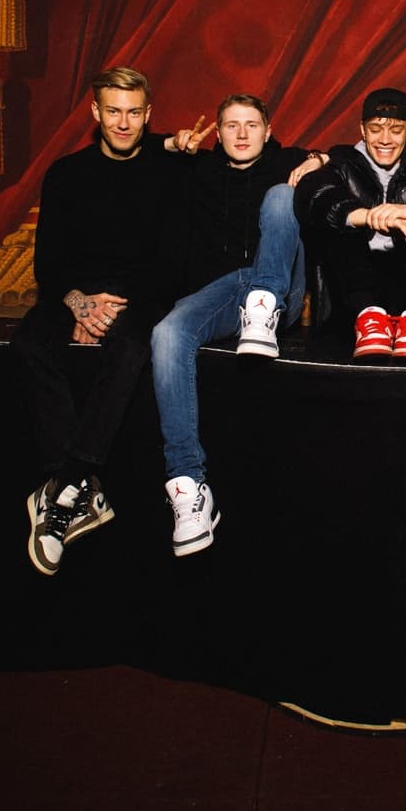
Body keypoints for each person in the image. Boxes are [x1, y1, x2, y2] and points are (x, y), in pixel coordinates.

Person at [12, 66, 187, 576]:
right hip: (73, 294)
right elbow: (48, 266)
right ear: (95, 112)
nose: (123, 123)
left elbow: (173, 266)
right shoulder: (66, 173)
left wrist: (112, 309)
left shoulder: (171, 171)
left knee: (130, 349)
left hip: (139, 297)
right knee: (27, 344)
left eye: (133, 113)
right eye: (113, 111)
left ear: (148, 114)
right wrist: (78, 303)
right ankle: (82, 489)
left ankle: (66, 485)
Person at [150, 93, 323, 557]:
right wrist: (171, 144)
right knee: (166, 334)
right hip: (225, 294)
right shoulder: (198, 169)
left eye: (252, 125)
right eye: (231, 125)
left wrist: (320, 160)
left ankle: (263, 308)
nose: (242, 134)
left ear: (268, 131)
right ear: (218, 132)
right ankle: (188, 488)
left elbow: (348, 159)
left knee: (283, 195)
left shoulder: (286, 161)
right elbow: (130, 152)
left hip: (279, 291)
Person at [294, 87, 406, 361]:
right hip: (356, 292)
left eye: (396, 130)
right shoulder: (341, 162)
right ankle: (371, 321)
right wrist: (366, 216)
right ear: (362, 130)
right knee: (342, 225)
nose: (385, 139)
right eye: (375, 129)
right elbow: (313, 194)